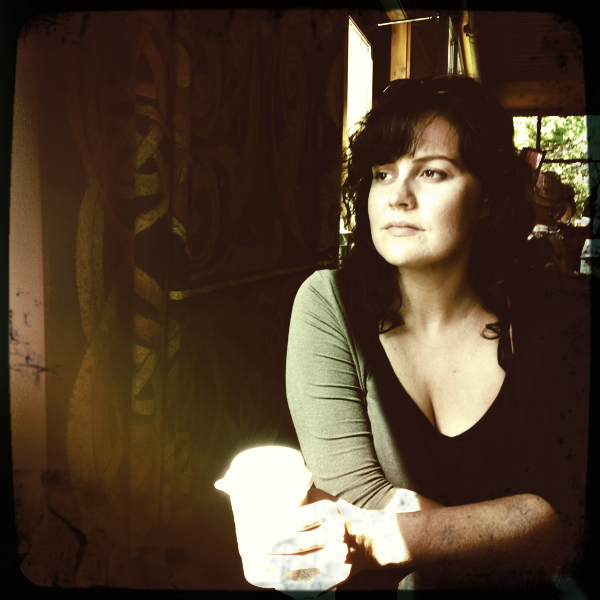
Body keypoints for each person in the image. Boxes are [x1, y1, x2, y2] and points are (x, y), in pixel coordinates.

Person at [239, 76, 590, 595]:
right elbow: (356, 497)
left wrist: (380, 535)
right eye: (383, 174)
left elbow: (562, 525)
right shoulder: (328, 304)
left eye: (432, 172)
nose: (397, 197)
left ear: (487, 198)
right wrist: (512, 532)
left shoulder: (556, 316)